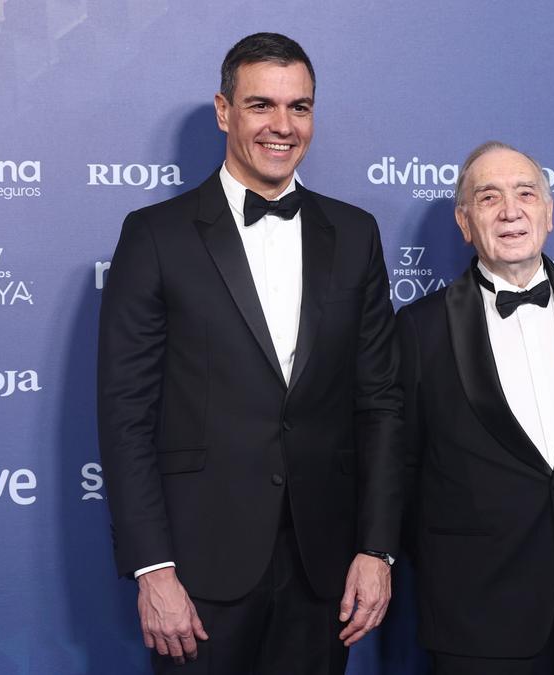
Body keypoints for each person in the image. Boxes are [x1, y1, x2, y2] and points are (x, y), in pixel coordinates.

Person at [97, 32, 402, 674]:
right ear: (223, 110)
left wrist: (377, 549)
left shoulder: (354, 234)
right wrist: (153, 569)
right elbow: (126, 416)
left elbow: (380, 403)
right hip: (199, 569)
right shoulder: (155, 236)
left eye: (300, 107)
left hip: (324, 570)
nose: (282, 126)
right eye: (261, 105)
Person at [397, 142, 554, 674]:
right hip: (478, 617)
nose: (511, 211)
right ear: (465, 223)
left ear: (549, 213)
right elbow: (403, 471)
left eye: (525, 193)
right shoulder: (419, 329)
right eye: (489, 198)